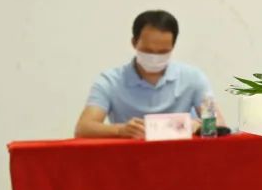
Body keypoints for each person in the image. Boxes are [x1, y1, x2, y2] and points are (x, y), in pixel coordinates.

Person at [75, 10, 220, 139]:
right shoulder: (110, 81)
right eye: (148, 51)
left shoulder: (194, 78)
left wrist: (199, 126)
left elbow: (219, 124)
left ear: (173, 47)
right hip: (131, 155)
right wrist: (120, 130)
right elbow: (83, 128)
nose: (154, 58)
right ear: (134, 43)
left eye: (163, 52)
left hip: (183, 153)